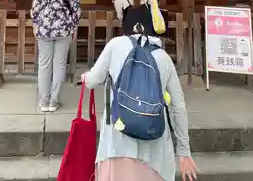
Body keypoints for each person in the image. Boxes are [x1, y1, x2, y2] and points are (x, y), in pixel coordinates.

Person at [82, 34, 197, 181]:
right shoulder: (164, 58)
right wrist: (183, 151)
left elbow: (92, 80)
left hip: (117, 142)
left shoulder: (115, 45)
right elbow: (178, 106)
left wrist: (86, 77)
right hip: (154, 150)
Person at [31, 0, 81, 113]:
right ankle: (54, 100)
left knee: (44, 64)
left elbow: (36, 6)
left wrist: (35, 23)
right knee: (60, 65)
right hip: (64, 28)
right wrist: (74, 27)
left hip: (45, 27)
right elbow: (75, 10)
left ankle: (43, 101)